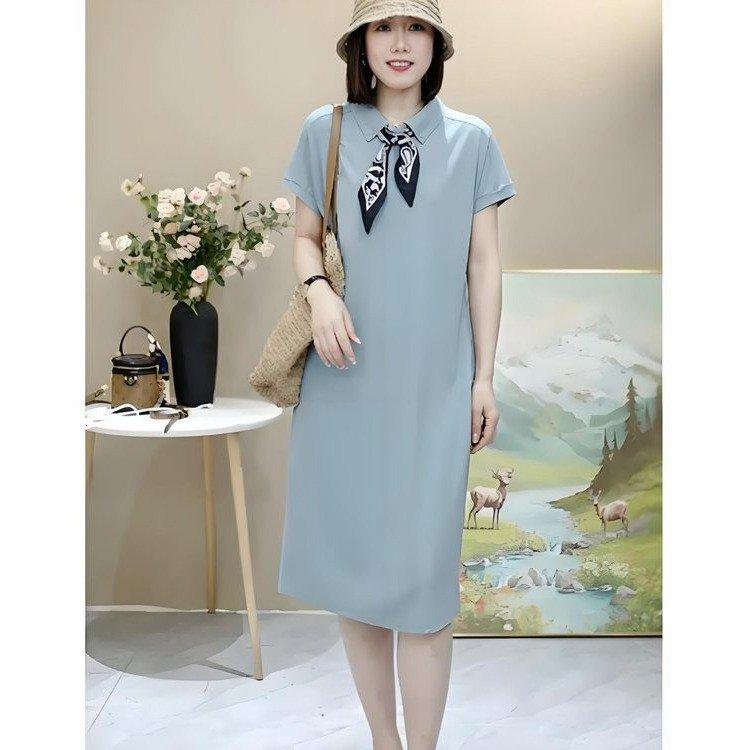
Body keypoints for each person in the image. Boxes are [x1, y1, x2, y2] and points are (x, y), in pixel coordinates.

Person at [277, 2, 516, 747]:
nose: (400, 43)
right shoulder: (325, 131)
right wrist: (318, 294)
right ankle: (385, 741)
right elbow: (305, 237)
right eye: (384, 27)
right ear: (361, 44)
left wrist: (483, 376)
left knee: (425, 594)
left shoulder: (472, 140)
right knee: (358, 583)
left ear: (437, 43)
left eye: (415, 27)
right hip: (345, 384)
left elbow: (484, 263)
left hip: (433, 392)